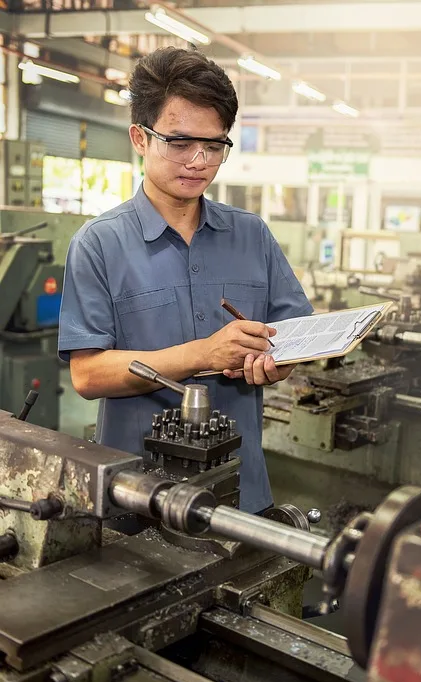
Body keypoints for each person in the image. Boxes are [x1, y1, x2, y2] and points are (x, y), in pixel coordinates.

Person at [58, 48, 313, 514]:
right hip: (137, 494)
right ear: (140, 137)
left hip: (242, 492)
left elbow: (294, 339)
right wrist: (203, 354)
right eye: (179, 143)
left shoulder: (252, 235)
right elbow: (88, 373)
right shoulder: (99, 245)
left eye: (214, 146)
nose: (198, 160)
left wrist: (277, 364)